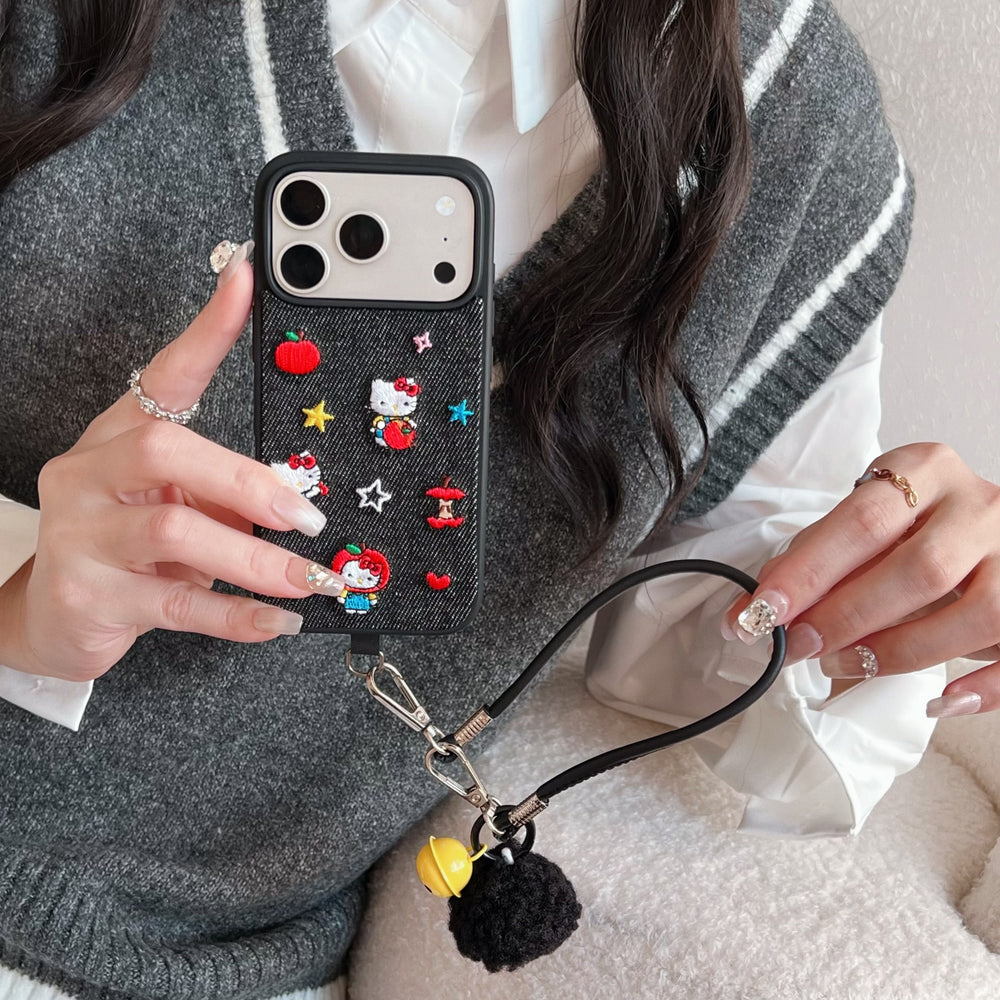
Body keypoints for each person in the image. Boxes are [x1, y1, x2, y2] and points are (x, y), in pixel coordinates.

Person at [0, 0, 997, 997]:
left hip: (219, 962)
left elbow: (707, 637)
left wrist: (911, 577)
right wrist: (22, 607)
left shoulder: (790, 116)